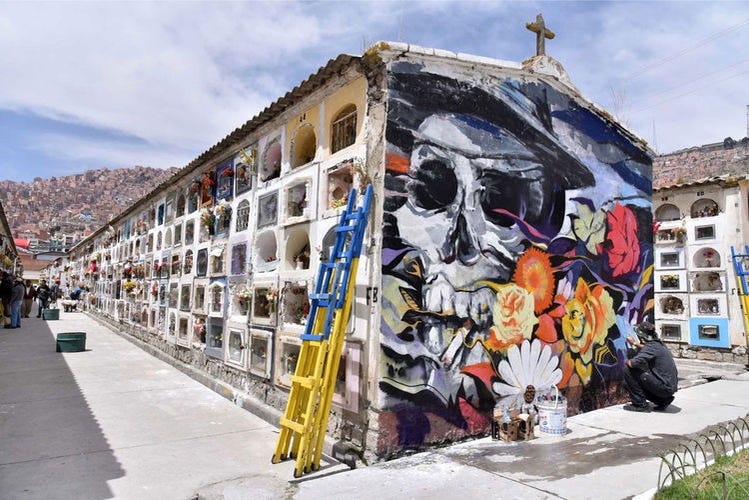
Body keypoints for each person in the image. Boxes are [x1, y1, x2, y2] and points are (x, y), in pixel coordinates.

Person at [623, 322, 678, 412]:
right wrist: (635, 344)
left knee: (628, 370)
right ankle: (663, 401)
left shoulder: (651, 347)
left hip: (664, 387)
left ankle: (640, 405)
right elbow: (646, 348)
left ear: (642, 336)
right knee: (642, 376)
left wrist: (623, 360)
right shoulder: (659, 344)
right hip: (669, 387)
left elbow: (632, 364)